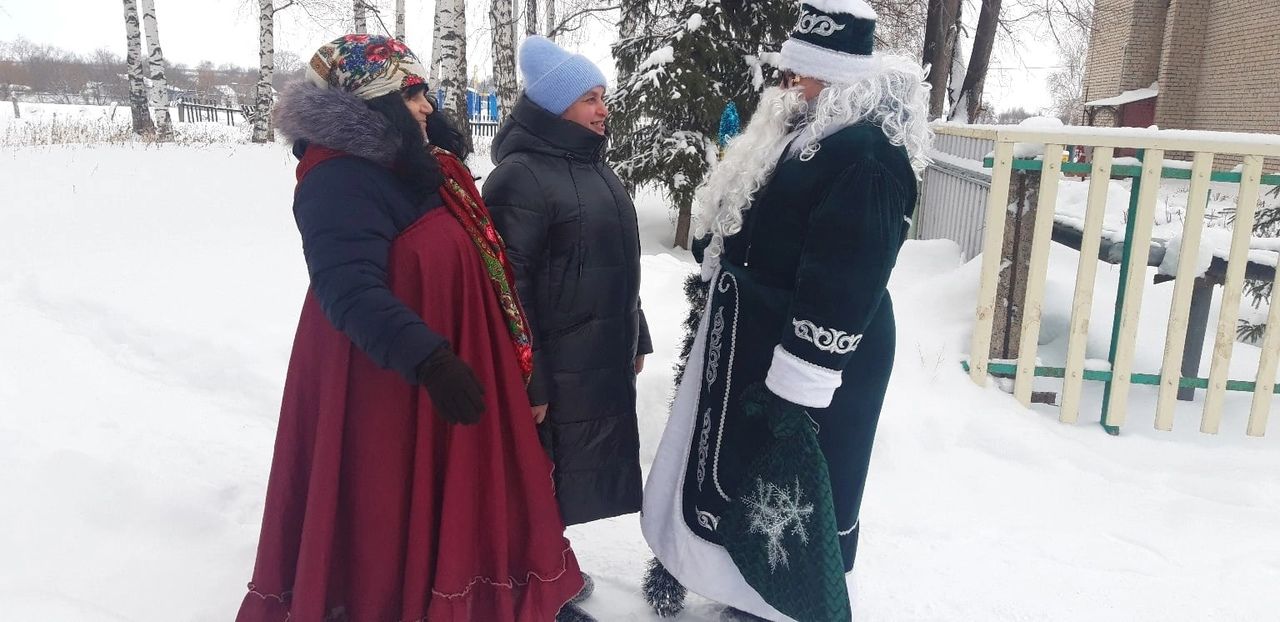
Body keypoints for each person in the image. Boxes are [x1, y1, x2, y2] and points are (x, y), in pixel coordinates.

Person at [235, 35, 584, 622]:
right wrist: (430, 360)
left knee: (468, 489)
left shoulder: (414, 167)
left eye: (424, 91)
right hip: (387, 381)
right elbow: (347, 289)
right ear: (371, 101)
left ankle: (493, 597)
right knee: (391, 499)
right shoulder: (336, 177)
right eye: (409, 92)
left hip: (444, 360)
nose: (426, 106)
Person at [640, 1, 932, 619]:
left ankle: (779, 601)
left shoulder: (867, 156)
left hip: (806, 357)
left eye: (804, 73)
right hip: (753, 338)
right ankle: (739, 584)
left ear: (839, 77)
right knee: (743, 469)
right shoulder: (810, 133)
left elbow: (846, 274)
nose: (791, 84)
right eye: (791, 72)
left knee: (789, 486)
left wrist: (799, 380)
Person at [483, 38, 651, 536]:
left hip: (594, 357)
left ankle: (548, 576)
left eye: (603, 96)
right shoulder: (520, 178)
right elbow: (509, 289)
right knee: (538, 479)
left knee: (567, 480)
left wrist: (635, 329)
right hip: (554, 367)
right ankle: (533, 589)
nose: (604, 109)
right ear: (557, 106)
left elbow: (616, 259)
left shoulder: (596, 168)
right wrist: (527, 379)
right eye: (590, 98)